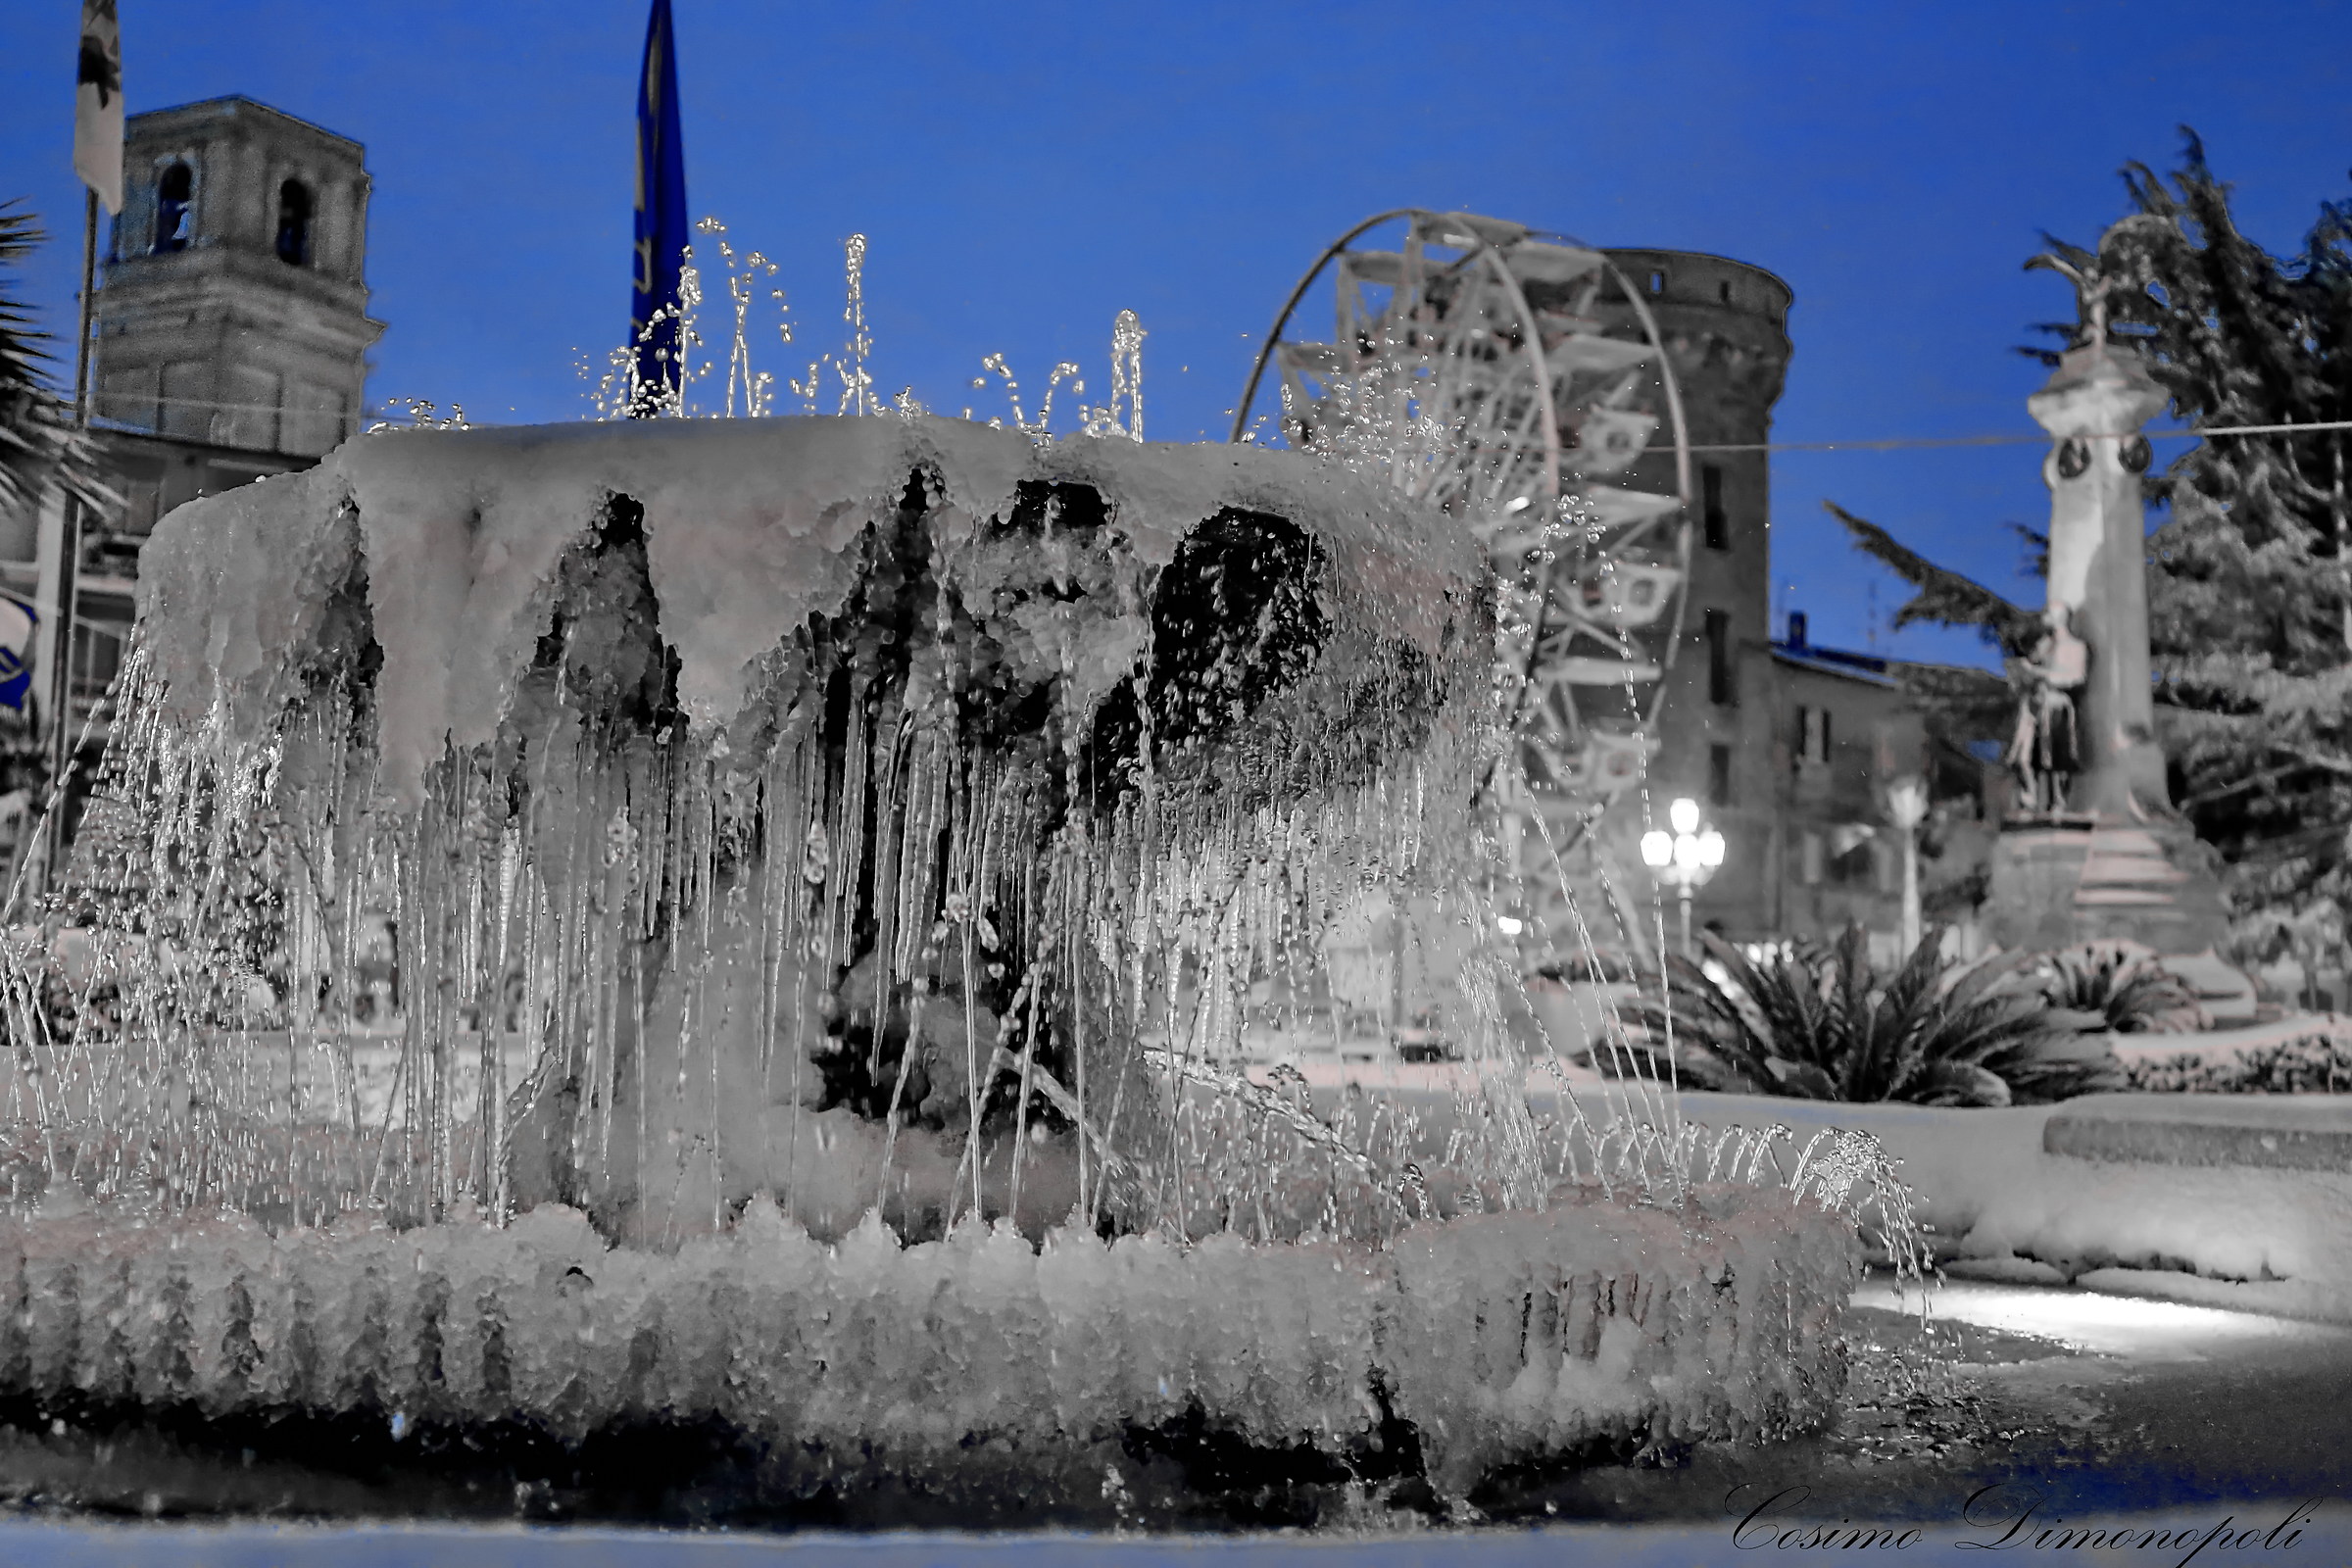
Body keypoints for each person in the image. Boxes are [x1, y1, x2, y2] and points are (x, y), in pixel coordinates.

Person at [2007, 603, 2085, 813]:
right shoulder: (2044, 645)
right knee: (2024, 758)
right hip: (2035, 707)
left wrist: (2040, 674)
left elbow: (2076, 678)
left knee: (2057, 760)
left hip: (2058, 705)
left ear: (2061, 617)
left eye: (2049, 613)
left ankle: (2058, 803)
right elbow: (2031, 670)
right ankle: (2029, 799)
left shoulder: (2075, 647)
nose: (2044, 616)